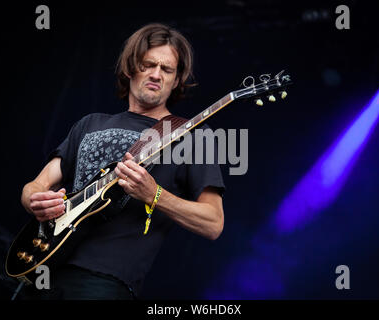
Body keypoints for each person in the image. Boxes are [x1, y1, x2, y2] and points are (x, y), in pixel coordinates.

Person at [19, 23, 225, 300]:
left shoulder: (192, 134)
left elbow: (213, 223)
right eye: (148, 64)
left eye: (167, 70)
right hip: (44, 268)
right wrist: (36, 200)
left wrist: (154, 194)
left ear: (176, 81)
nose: (156, 75)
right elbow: (35, 185)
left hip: (104, 282)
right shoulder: (90, 123)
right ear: (130, 68)